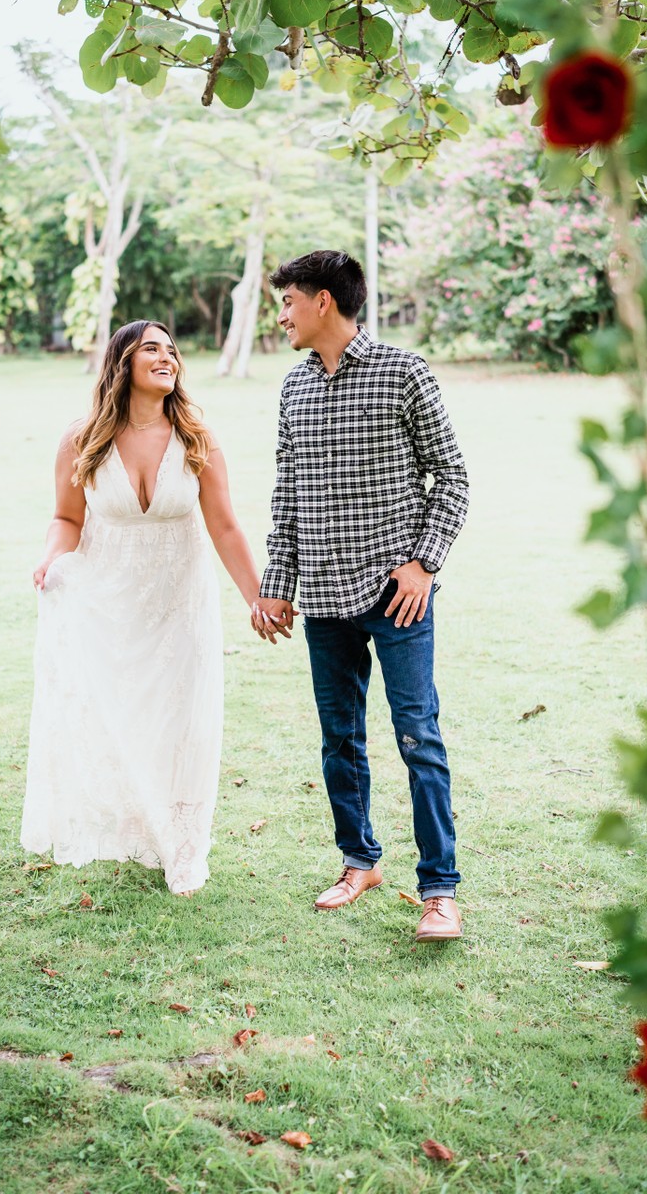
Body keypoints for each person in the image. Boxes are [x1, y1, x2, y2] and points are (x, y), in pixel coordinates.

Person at [250, 251, 469, 941]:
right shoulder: (293, 388)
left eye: (287, 302)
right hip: (322, 597)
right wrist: (276, 589)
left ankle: (438, 890)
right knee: (338, 739)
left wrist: (423, 565)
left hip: (397, 595)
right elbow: (287, 496)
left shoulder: (403, 372)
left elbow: (453, 478)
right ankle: (358, 861)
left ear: (321, 301)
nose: (281, 315)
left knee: (417, 737)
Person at [21, 320, 263, 896]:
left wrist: (258, 597)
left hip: (182, 603)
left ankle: (182, 849)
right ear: (121, 362)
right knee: (119, 717)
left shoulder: (197, 438)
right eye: (151, 348)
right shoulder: (81, 440)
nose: (167, 357)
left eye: (172, 350)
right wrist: (51, 559)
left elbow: (225, 526)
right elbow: (67, 518)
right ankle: (132, 824)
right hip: (109, 601)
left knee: (185, 722)